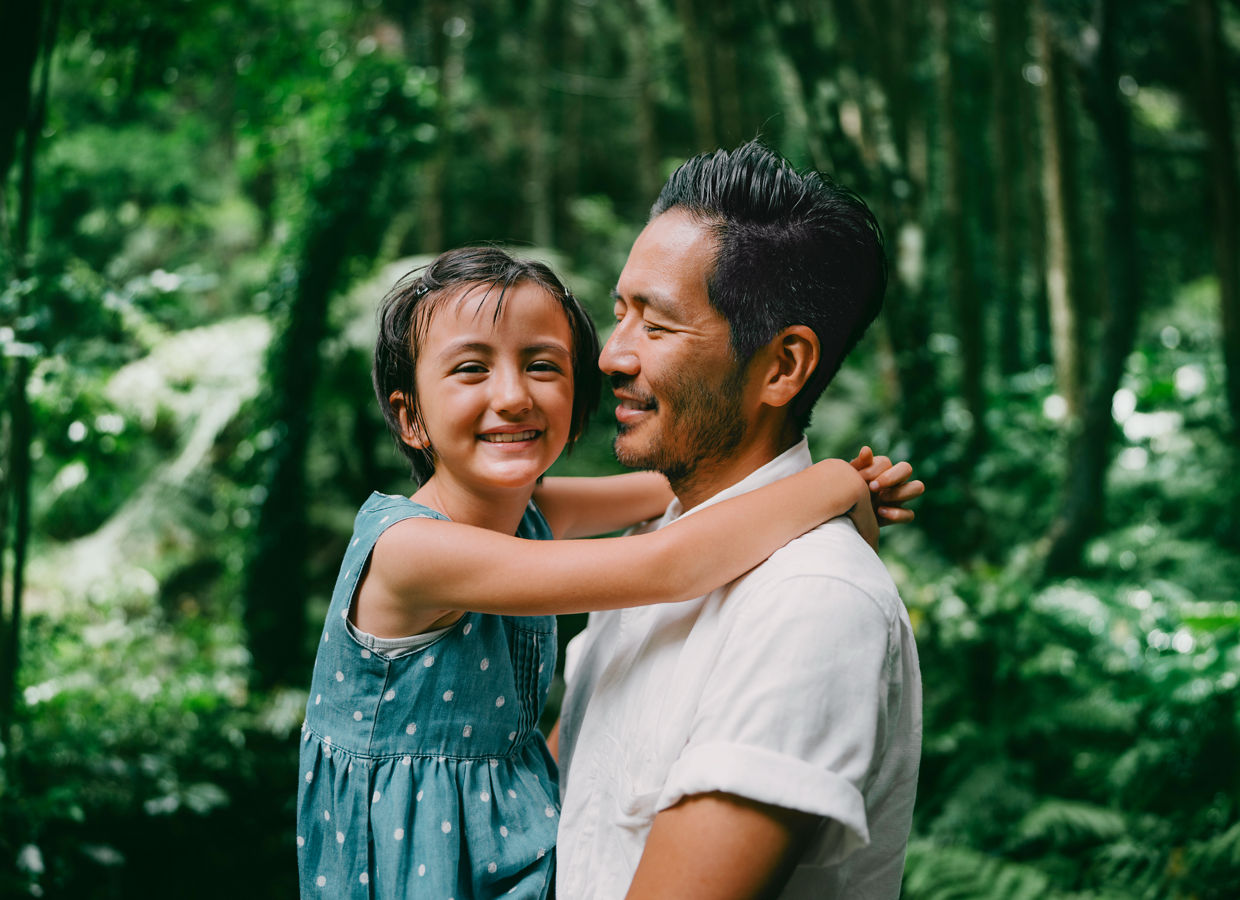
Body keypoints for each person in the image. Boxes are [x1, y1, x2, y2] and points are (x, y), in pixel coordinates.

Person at [295, 246, 916, 899]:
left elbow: (697, 486)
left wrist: (813, 496)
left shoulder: (535, 512)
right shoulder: (411, 551)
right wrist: (834, 482)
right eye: (471, 369)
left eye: (541, 365)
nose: (513, 396)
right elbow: (668, 563)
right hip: (416, 869)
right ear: (410, 417)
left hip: (506, 852)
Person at [553, 142, 923, 899]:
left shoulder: (812, 601)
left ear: (782, 366)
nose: (612, 355)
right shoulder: (649, 539)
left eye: (656, 326)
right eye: (620, 315)